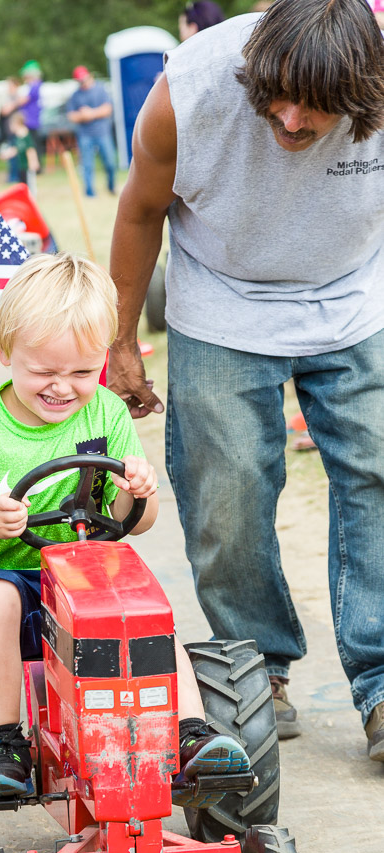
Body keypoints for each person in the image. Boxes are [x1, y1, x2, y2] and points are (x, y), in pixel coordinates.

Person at [108, 0, 384, 757]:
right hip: (222, 298)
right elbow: (139, 210)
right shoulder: (189, 88)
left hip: (355, 294)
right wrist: (122, 338)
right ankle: (254, 666)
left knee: (377, 474)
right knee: (224, 487)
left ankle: (383, 679)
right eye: (277, 95)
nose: (290, 120)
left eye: (316, 107)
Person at [0, 252, 250, 800]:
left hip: (91, 574)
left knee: (148, 606)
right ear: (6, 351)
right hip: (16, 579)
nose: (63, 387)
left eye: (81, 372)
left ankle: (191, 731)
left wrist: (135, 494)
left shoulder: (107, 413)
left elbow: (137, 524)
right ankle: (5, 745)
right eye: (45, 372)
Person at [66, 66, 117, 198]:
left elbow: (107, 109)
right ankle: (89, 192)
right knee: (87, 165)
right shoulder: (75, 95)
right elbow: (71, 116)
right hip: (85, 134)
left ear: (90, 76)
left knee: (110, 163)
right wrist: (83, 116)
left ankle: (111, 187)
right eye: (79, 81)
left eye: (84, 80)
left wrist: (91, 113)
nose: (82, 83)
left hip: (102, 132)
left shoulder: (100, 90)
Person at [0, 112, 40, 196]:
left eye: (11, 124)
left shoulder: (24, 134)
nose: (10, 127)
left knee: (30, 187)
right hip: (21, 166)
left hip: (27, 166)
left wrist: (33, 162)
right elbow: (16, 149)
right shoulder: (18, 136)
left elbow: (30, 149)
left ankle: (32, 201)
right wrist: (6, 154)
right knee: (23, 185)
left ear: (16, 124)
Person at [15, 61, 44, 169]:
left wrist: (14, 100)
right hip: (29, 120)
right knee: (31, 145)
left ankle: (36, 167)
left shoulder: (35, 85)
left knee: (32, 146)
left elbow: (24, 100)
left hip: (32, 121)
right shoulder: (32, 85)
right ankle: (33, 166)